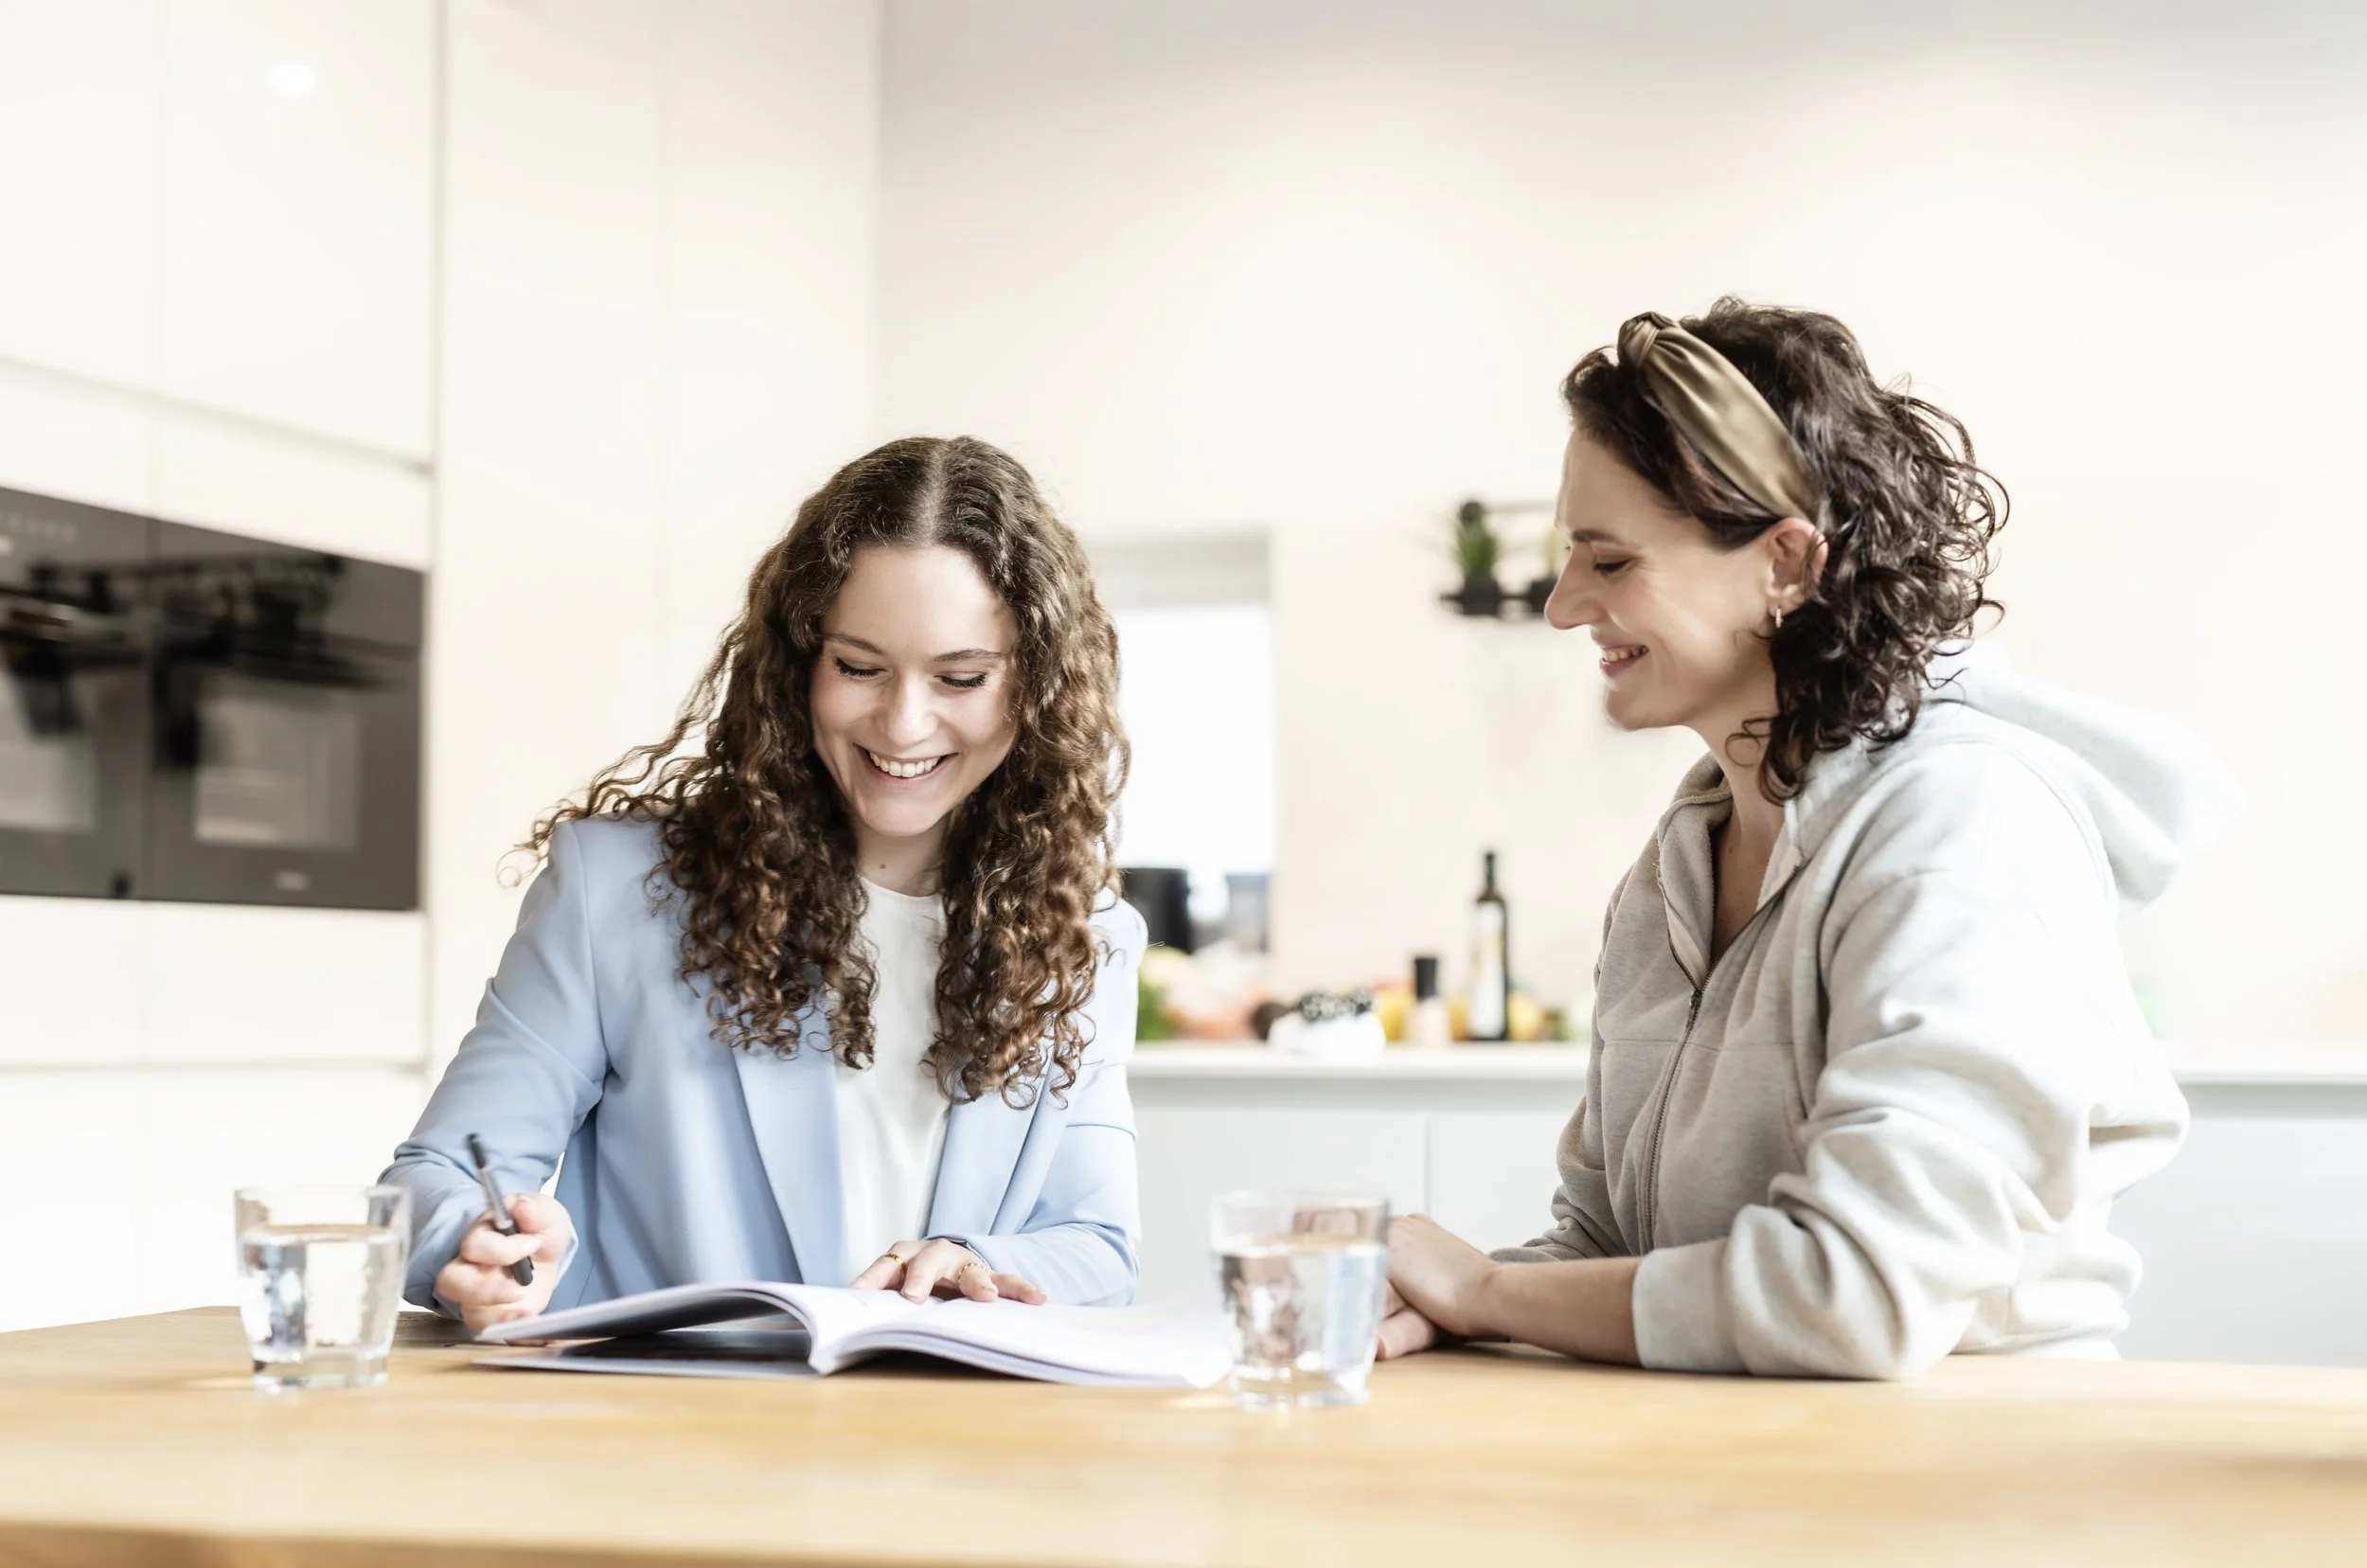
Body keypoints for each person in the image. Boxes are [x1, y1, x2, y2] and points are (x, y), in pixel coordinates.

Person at [1379, 300, 2235, 1379]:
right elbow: (1611, 1250)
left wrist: (1485, 1291)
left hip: (1966, 1487)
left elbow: (1860, 1295)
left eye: (1606, 561)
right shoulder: (1676, 867)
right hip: (1721, 1465)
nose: (1561, 606)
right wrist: (1442, 1310)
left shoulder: (1959, 825)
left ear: (1784, 562)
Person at [383, 436, 1145, 1332]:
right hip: (675, 1445)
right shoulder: (619, 889)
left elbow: (1098, 1244)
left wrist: (980, 1265)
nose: (904, 723)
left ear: (1037, 688)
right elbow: (430, 1177)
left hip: (948, 1449)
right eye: (858, 667)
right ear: (797, 665)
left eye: (962, 677)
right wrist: (470, 1238)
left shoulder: (1083, 936)